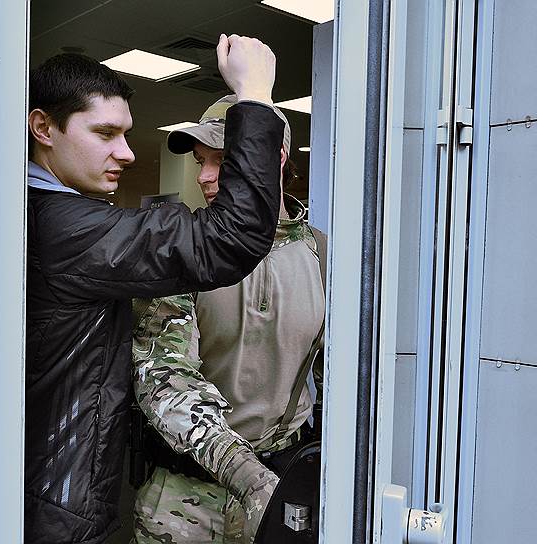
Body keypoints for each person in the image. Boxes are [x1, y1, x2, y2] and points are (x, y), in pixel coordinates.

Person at [25, 36, 287, 544]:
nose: (126, 153)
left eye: (125, 134)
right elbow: (228, 240)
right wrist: (254, 95)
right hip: (60, 503)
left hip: (53, 490)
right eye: (105, 133)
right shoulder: (64, 227)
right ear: (43, 128)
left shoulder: (39, 212)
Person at [131, 95, 327, 543]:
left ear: (274, 157)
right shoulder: (181, 248)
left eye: (221, 159)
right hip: (184, 505)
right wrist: (247, 476)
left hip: (283, 493)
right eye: (201, 161)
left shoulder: (322, 254)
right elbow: (162, 376)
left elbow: (351, 381)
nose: (203, 176)